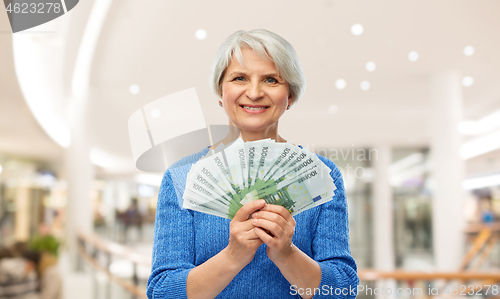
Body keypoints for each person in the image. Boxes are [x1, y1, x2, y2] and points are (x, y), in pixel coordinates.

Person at [147, 29, 359, 299]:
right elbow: (163, 292)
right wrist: (233, 256)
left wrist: (287, 253)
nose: (255, 92)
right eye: (239, 78)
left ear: (290, 96)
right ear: (220, 92)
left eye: (271, 79)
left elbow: (342, 290)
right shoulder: (181, 178)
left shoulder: (323, 176)